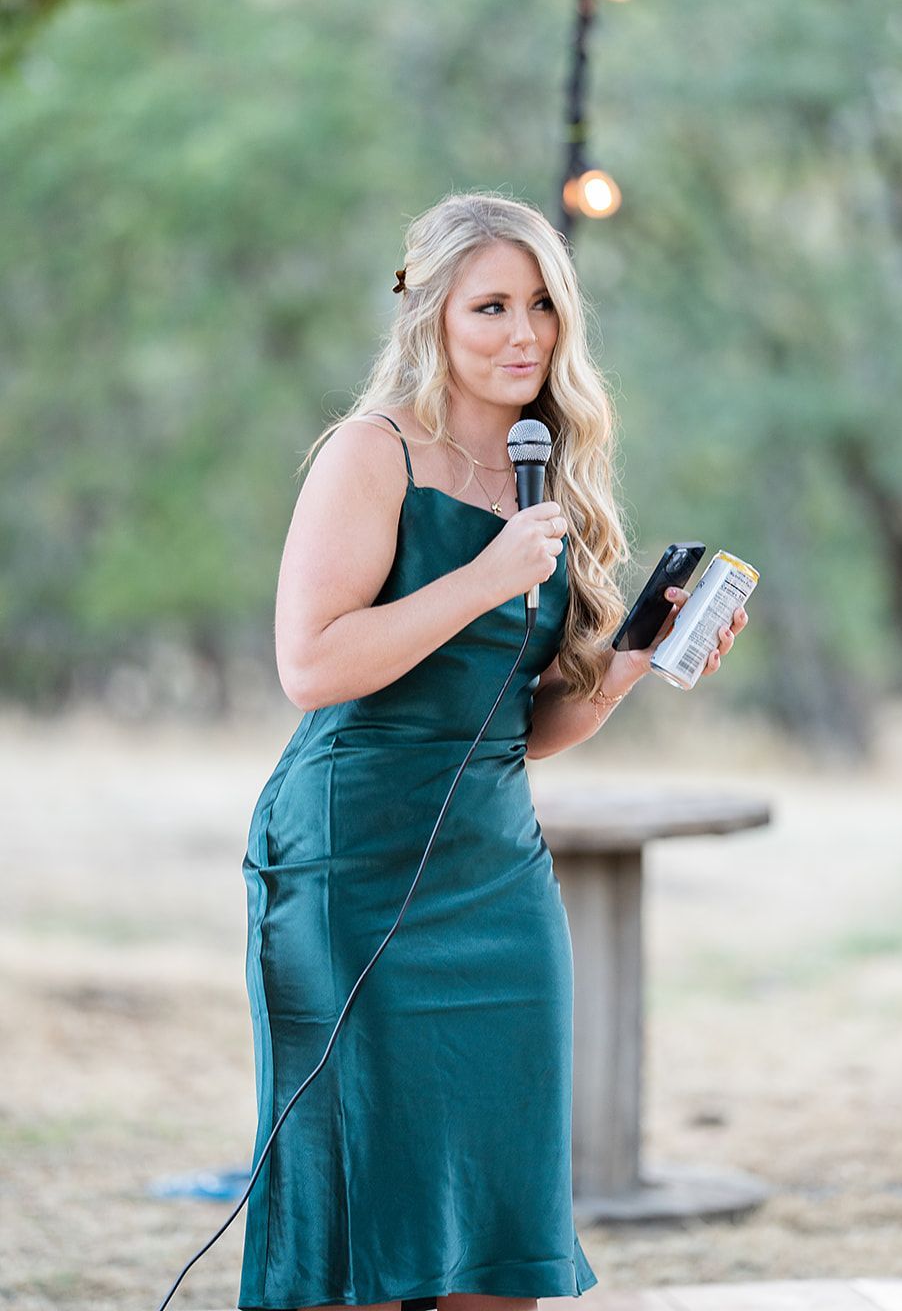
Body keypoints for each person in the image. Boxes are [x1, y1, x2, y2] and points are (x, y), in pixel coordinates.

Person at [238, 191, 748, 1311]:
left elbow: (519, 723)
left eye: (542, 307)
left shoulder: (546, 473)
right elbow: (310, 666)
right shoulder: (369, 455)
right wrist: (482, 577)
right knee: (367, 1219)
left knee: (499, 1220)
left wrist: (620, 670)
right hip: (349, 863)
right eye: (490, 308)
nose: (523, 335)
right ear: (428, 316)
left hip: (493, 868)